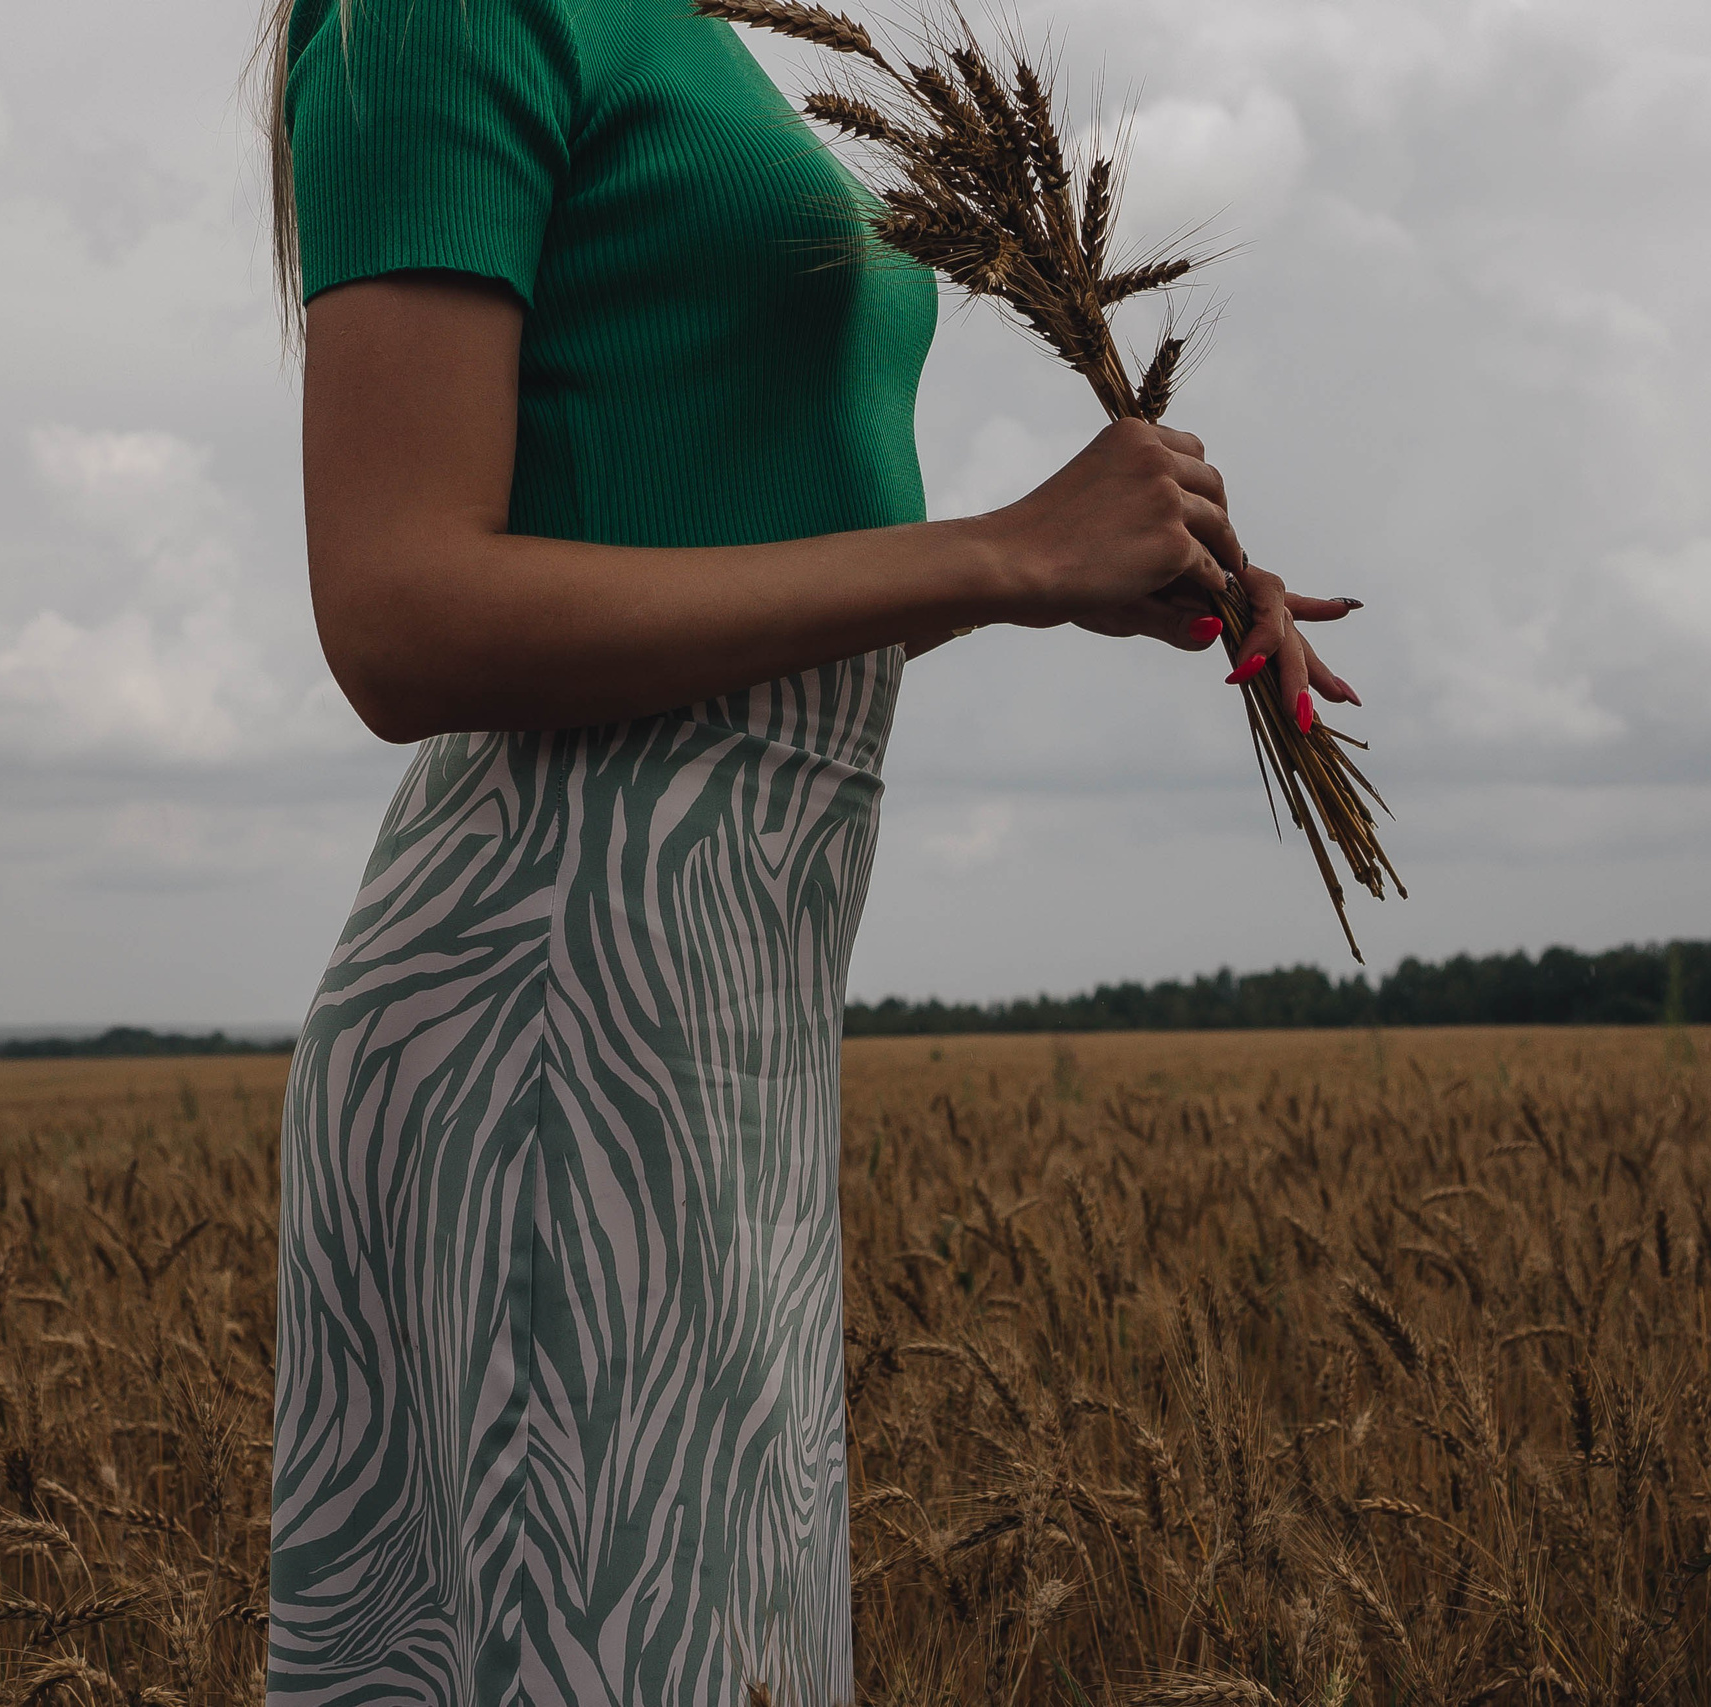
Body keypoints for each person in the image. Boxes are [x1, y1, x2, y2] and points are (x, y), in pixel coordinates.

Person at [258, 0, 1362, 1699]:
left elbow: (710, 591)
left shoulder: (675, 34)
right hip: (561, 1002)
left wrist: (1053, 578)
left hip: (728, 1012)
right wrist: (998, 552)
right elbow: (399, 615)